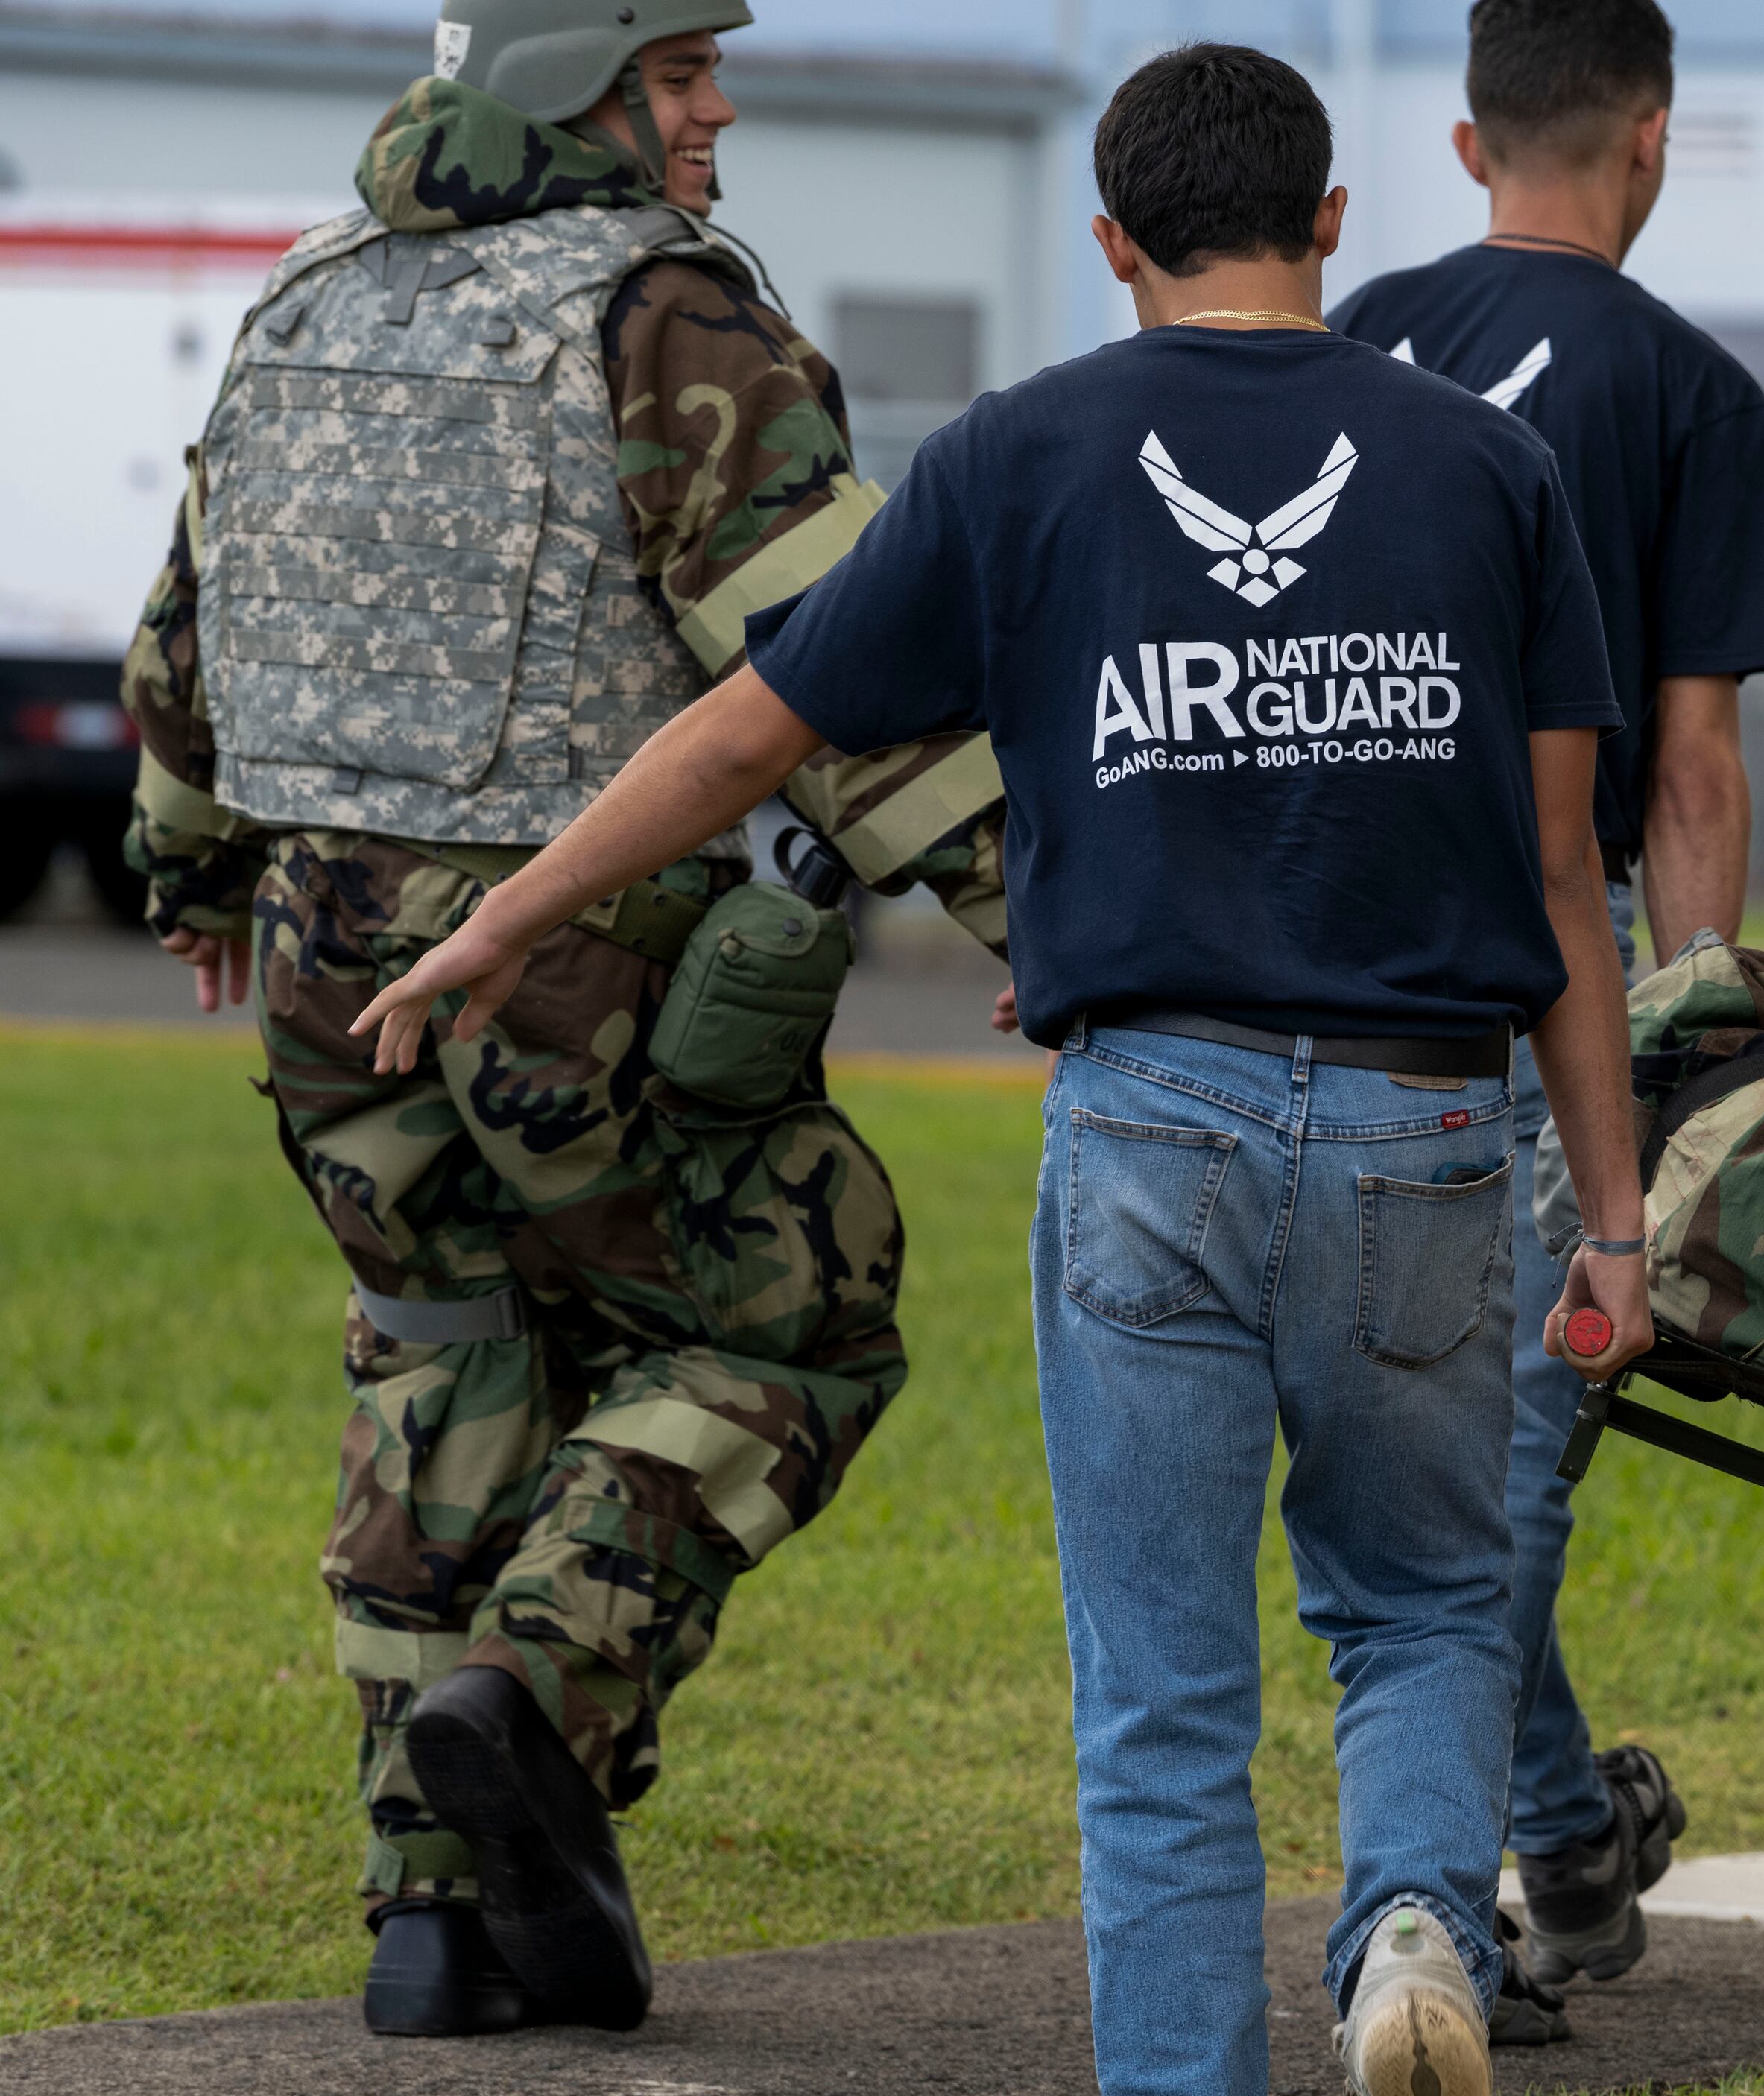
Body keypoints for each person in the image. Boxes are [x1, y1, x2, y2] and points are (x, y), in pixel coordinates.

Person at [355, 42, 1655, 2096]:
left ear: (1113, 240)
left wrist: (506, 914)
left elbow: (747, 735)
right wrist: (1619, 1215)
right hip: (1425, 1117)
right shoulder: (1489, 466)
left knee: (1161, 1697)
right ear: (1331, 221)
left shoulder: (1019, 451)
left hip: (1154, 1117)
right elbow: (1566, 873)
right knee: (1425, 1599)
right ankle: (1417, 1914)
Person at [116, 0, 1008, 2039]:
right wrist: (1049, 912)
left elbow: (195, 613)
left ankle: (428, 1920)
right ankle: (537, 1682)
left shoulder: (306, 298)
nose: (716, 109)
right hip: (579, 967)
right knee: (788, 1320)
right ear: (566, 91)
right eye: (676, 76)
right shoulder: (669, 317)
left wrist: (188, 863)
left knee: (439, 1361)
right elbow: (841, 664)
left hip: (326, 966)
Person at [1324, 0, 1764, 2008]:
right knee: (1502, 1470)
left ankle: (1564, 1845)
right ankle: (1453, 1914)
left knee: (1395, 1467)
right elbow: (1688, 774)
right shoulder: (1695, 393)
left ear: (1464, 143)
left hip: (1313, 948)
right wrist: (1685, 1051)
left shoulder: (1350, 341)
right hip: (1544, 965)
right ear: (1653, 139)